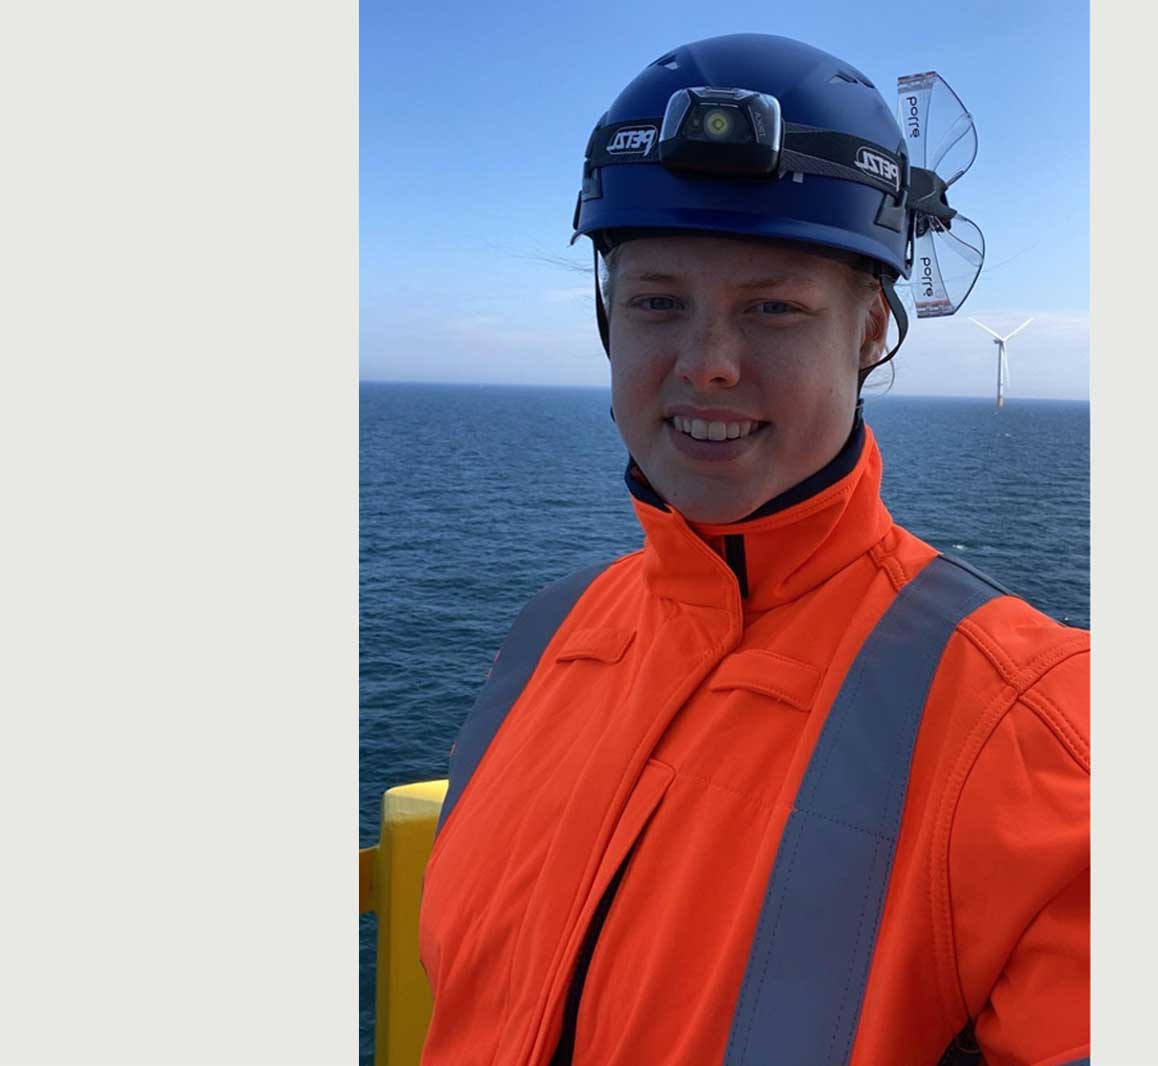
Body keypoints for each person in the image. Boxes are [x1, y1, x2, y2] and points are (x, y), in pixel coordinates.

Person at [418, 33, 1089, 1066]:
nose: (707, 365)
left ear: (872, 329)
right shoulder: (544, 638)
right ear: (606, 316)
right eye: (655, 302)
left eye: (773, 308)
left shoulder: (1031, 724)